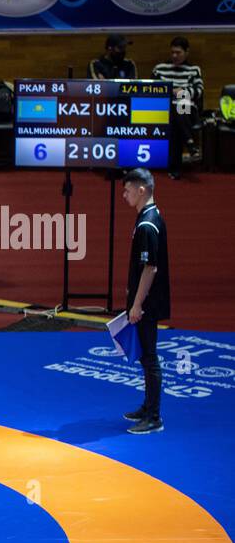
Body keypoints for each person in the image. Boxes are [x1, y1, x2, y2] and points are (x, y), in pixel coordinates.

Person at [121, 167, 170, 435]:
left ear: (142, 190)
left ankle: (154, 416)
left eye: (127, 190)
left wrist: (137, 304)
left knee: (149, 357)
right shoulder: (151, 216)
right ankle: (148, 406)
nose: (124, 195)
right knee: (145, 356)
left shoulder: (147, 225)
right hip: (147, 300)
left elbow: (149, 268)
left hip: (147, 303)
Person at [152, 36, 204, 180]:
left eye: (178, 52)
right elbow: (152, 90)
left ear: (187, 52)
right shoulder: (160, 69)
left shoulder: (194, 70)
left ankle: (174, 168)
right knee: (175, 115)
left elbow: (199, 91)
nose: (174, 56)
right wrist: (176, 91)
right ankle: (190, 143)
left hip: (187, 110)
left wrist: (180, 92)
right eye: (173, 52)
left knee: (179, 107)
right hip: (165, 109)